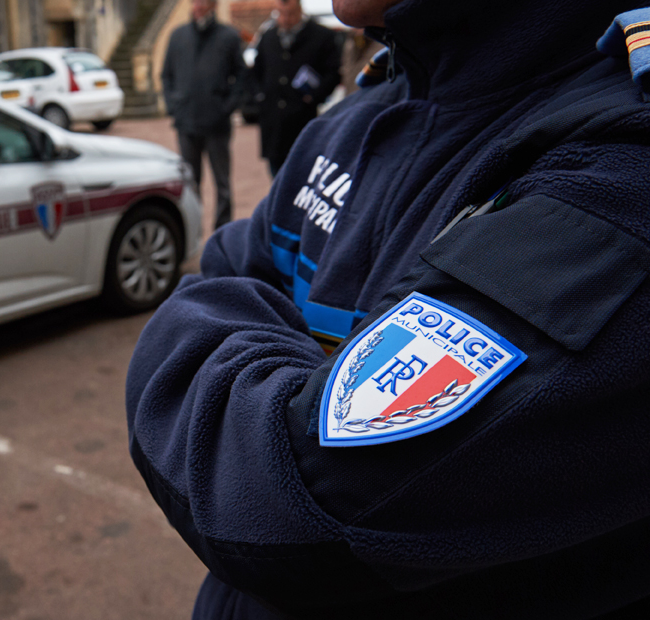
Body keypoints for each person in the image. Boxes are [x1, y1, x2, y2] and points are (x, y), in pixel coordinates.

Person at [128, 0, 650, 617]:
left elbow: (290, 498)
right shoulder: (355, 119)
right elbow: (220, 273)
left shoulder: (621, 158)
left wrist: (219, 352)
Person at [162, 0, 246, 230]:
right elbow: (166, 75)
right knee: (190, 183)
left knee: (222, 184)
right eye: (194, 1)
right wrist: (174, 106)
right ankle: (193, 228)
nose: (197, 6)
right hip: (186, 123)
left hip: (217, 125)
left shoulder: (228, 36)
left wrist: (226, 108)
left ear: (213, 5)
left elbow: (241, 76)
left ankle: (223, 230)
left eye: (202, 2)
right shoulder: (178, 36)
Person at [251, 0, 341, 176]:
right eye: (281, 14)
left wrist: (314, 96)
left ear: (300, 10)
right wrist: (260, 96)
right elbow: (256, 72)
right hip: (273, 123)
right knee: (276, 176)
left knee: (303, 173)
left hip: (302, 119)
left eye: (290, 14)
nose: (285, 19)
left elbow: (333, 73)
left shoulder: (321, 36)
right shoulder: (268, 37)